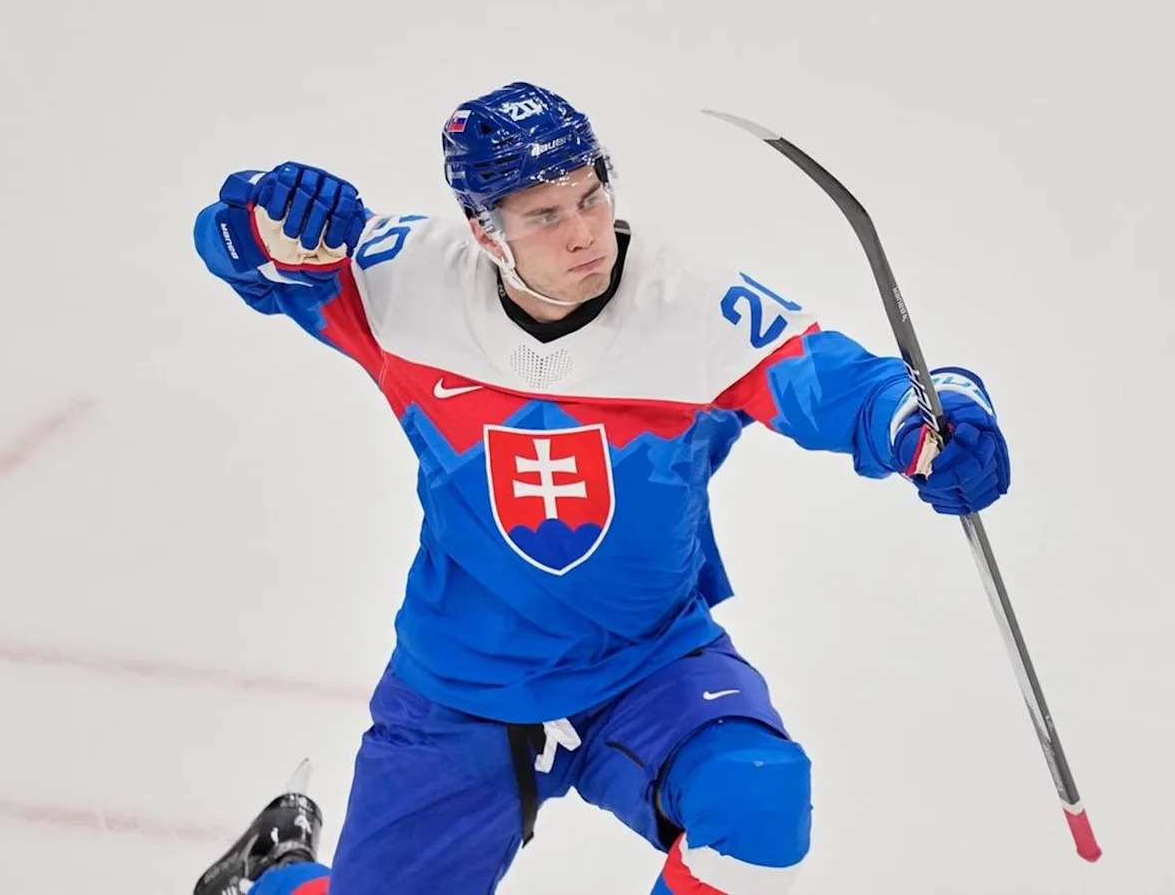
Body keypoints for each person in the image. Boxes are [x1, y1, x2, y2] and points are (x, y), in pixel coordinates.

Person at [190, 81, 1010, 895]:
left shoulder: (692, 310)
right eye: (545, 217)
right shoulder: (402, 281)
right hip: (465, 685)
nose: (585, 233)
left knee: (758, 798)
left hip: (647, 667)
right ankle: (271, 880)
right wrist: (268, 221)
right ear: (485, 233)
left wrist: (935, 420)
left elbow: (851, 387)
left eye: (590, 196)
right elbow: (239, 251)